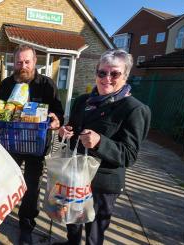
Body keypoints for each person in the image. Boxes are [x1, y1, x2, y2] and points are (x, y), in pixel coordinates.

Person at [54, 49, 151, 245]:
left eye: (114, 73)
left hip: (103, 183)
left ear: (125, 76)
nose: (107, 78)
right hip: (76, 173)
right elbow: (73, 131)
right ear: (96, 73)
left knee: (94, 231)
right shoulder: (82, 101)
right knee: (72, 218)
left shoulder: (135, 109)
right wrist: (65, 132)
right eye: (102, 73)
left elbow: (129, 155)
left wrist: (100, 142)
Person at [0, 44, 64, 244]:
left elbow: (58, 112)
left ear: (34, 63)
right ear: (13, 63)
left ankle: (26, 224)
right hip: (10, 143)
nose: (23, 65)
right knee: (6, 181)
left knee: (32, 187)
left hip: (36, 145)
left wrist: (56, 120)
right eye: (19, 62)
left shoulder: (46, 84)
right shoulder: (6, 85)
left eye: (27, 61)